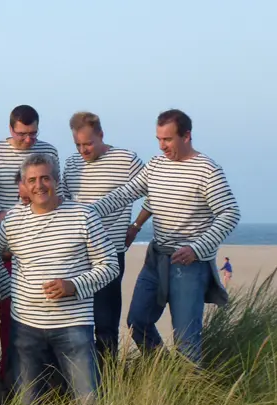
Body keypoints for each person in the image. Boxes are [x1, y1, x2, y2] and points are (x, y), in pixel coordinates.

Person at [91, 109, 241, 364]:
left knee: (186, 338)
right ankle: (165, 372)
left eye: (168, 140)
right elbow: (126, 193)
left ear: (186, 136)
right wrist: (85, 213)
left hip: (189, 263)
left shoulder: (207, 170)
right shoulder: (157, 165)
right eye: (159, 139)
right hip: (157, 257)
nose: (162, 146)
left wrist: (196, 248)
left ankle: (190, 391)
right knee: (137, 320)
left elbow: (230, 213)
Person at [0, 154, 119, 405]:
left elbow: (110, 265)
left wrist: (74, 285)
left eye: (45, 178)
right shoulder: (13, 220)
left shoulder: (83, 216)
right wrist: (8, 285)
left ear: (56, 180)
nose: (39, 185)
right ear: (23, 184)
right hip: (25, 327)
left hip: (73, 325)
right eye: (32, 180)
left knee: (88, 402)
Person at [57, 112, 145, 361]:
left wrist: (136, 224)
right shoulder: (72, 163)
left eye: (88, 143)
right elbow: (63, 202)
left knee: (106, 323)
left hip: (110, 252)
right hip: (77, 254)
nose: (83, 150)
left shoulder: (126, 159)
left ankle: (108, 383)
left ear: (101, 135)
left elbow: (156, 188)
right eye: (78, 145)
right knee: (78, 324)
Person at [0, 105, 58, 385]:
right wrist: (7, 217)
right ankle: (8, 378)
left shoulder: (48, 151)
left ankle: (47, 379)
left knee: (46, 311)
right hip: (4, 247)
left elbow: (56, 194)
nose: (29, 141)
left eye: (34, 134)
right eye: (23, 134)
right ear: (11, 129)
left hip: (42, 245)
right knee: (9, 315)